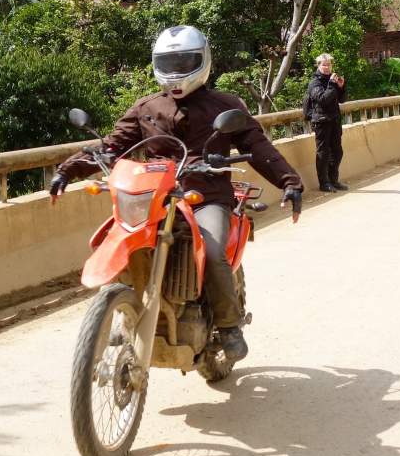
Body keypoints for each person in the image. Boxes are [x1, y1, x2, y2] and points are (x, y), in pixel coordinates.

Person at [48, 25, 304, 363]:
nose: (177, 72)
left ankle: (229, 326)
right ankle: (120, 308)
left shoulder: (225, 105)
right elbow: (110, 147)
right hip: (154, 196)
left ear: (203, 61)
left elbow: (258, 147)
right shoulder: (146, 107)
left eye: (185, 62)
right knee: (116, 236)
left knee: (212, 251)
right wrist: (68, 169)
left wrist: (290, 182)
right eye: (170, 63)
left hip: (207, 194)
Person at [304, 53, 348, 192]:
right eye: (324, 64)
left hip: (334, 120)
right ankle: (324, 183)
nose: (327, 67)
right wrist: (332, 85)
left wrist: (341, 87)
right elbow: (323, 99)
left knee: (337, 152)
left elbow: (341, 100)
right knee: (323, 153)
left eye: (329, 64)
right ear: (318, 66)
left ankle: (333, 180)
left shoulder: (332, 81)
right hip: (321, 122)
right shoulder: (314, 83)